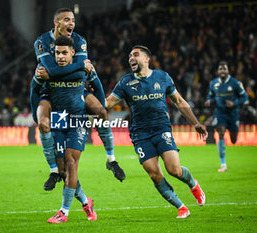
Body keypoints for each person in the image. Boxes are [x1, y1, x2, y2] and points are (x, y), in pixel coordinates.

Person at [105, 45, 207, 218]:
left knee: (174, 169)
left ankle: (193, 184)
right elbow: (107, 103)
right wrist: (88, 99)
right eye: (129, 56)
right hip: (140, 134)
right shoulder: (125, 82)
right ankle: (181, 207)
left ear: (147, 59)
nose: (131, 58)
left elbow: (180, 102)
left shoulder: (162, 77)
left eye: (135, 55)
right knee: (154, 173)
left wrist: (196, 123)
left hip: (161, 129)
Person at [30, 8, 125, 191]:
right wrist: (80, 66)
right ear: (56, 23)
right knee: (43, 124)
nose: (71, 23)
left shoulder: (79, 41)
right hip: (50, 92)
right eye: (66, 20)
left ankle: (111, 159)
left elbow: (64, 73)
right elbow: (56, 71)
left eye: (73, 20)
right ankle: (53, 171)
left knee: (100, 111)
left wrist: (75, 73)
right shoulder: (42, 42)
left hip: (76, 89)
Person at [46, 36, 97, 223]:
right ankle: (85, 201)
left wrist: (98, 106)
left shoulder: (84, 68)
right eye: (57, 53)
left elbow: (97, 86)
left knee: (71, 161)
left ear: (72, 53)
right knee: (63, 170)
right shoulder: (48, 71)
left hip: (78, 118)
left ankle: (64, 212)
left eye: (64, 52)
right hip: (58, 118)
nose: (60, 56)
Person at [204, 61, 248, 172]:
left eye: (224, 69)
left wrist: (235, 103)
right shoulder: (213, 83)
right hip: (220, 113)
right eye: (220, 69)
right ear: (218, 71)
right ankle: (223, 164)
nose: (222, 71)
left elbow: (245, 97)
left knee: (233, 140)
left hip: (233, 114)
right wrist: (209, 100)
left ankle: (232, 136)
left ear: (228, 71)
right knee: (221, 133)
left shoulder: (235, 83)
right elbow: (211, 95)